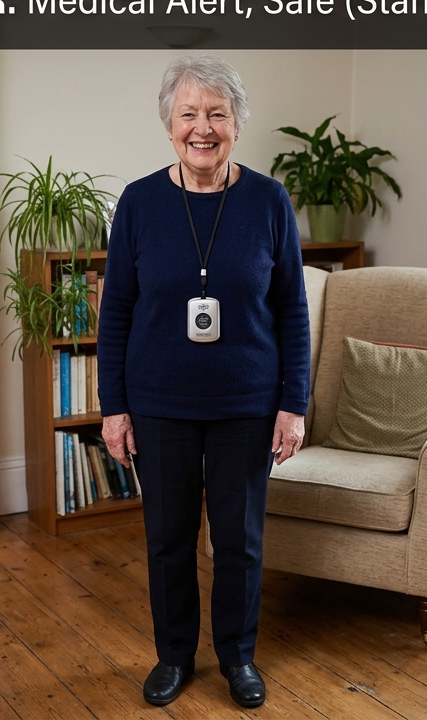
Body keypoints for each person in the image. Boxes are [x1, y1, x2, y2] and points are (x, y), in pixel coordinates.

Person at [97, 55, 310, 709]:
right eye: (189, 113)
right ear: (169, 125)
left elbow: (292, 311)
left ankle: (238, 657)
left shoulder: (269, 200)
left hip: (247, 403)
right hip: (159, 403)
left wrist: (293, 405)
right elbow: (117, 312)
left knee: (239, 541)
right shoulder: (138, 202)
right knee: (167, 538)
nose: (203, 127)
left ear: (237, 125)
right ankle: (173, 657)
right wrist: (115, 408)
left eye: (217, 114)